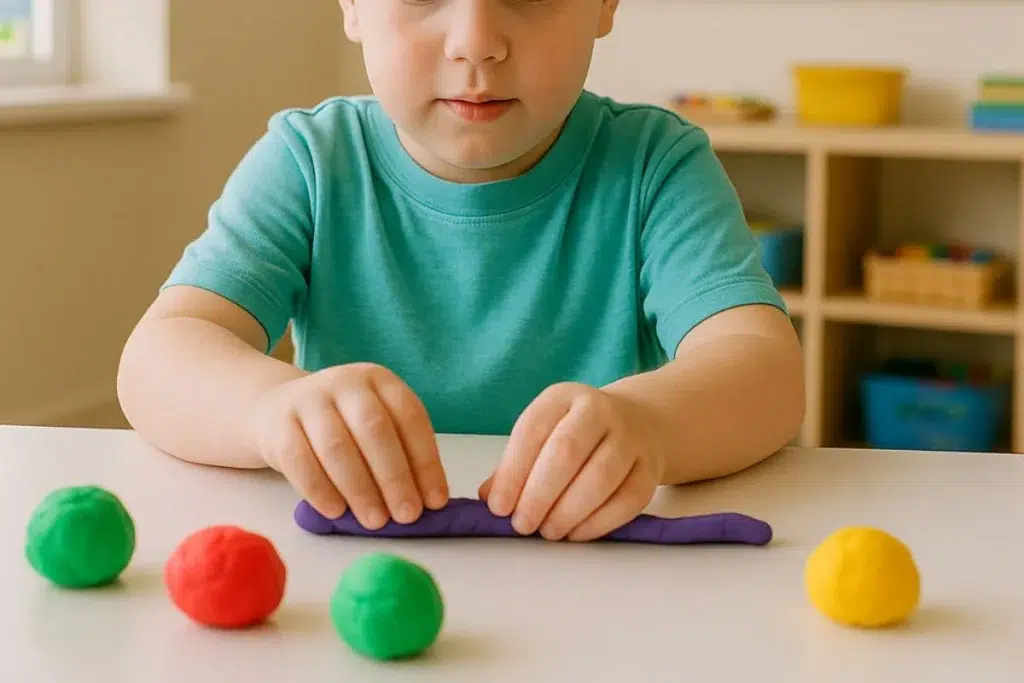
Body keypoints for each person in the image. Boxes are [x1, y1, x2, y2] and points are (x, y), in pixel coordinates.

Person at [117, 0, 804, 543]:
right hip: (359, 567)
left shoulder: (657, 164)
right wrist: (268, 409)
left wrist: (651, 427)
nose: (475, 43)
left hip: (591, 570)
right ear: (350, 4)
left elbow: (766, 370)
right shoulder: (311, 161)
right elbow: (159, 356)